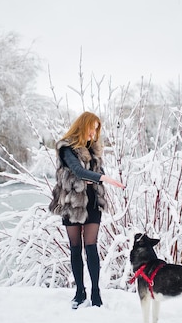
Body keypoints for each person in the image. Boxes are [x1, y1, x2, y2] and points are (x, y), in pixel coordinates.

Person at [48, 112, 126, 309]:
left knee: (91, 247)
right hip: (72, 203)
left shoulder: (93, 150)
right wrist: (103, 179)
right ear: (83, 126)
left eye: (97, 128)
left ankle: (95, 292)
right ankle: (79, 291)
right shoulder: (66, 148)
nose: (95, 132)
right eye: (92, 127)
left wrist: (99, 178)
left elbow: (96, 173)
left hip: (91, 202)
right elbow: (78, 171)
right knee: (75, 247)